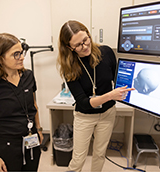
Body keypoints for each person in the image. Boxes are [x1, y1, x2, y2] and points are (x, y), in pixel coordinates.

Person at [57, 20, 135, 172]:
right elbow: (84, 103)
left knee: (100, 154)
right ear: (69, 47)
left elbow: (118, 80)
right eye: (78, 45)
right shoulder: (69, 67)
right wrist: (110, 95)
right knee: (78, 158)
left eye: (86, 40)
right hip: (84, 116)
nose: (84, 46)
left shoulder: (106, 53)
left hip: (107, 114)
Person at [0, 33, 43, 172]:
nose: (22, 57)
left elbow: (33, 105)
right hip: (6, 145)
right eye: (16, 54)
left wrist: (39, 129)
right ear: (0, 59)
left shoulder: (28, 76)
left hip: (31, 140)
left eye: (22, 52)